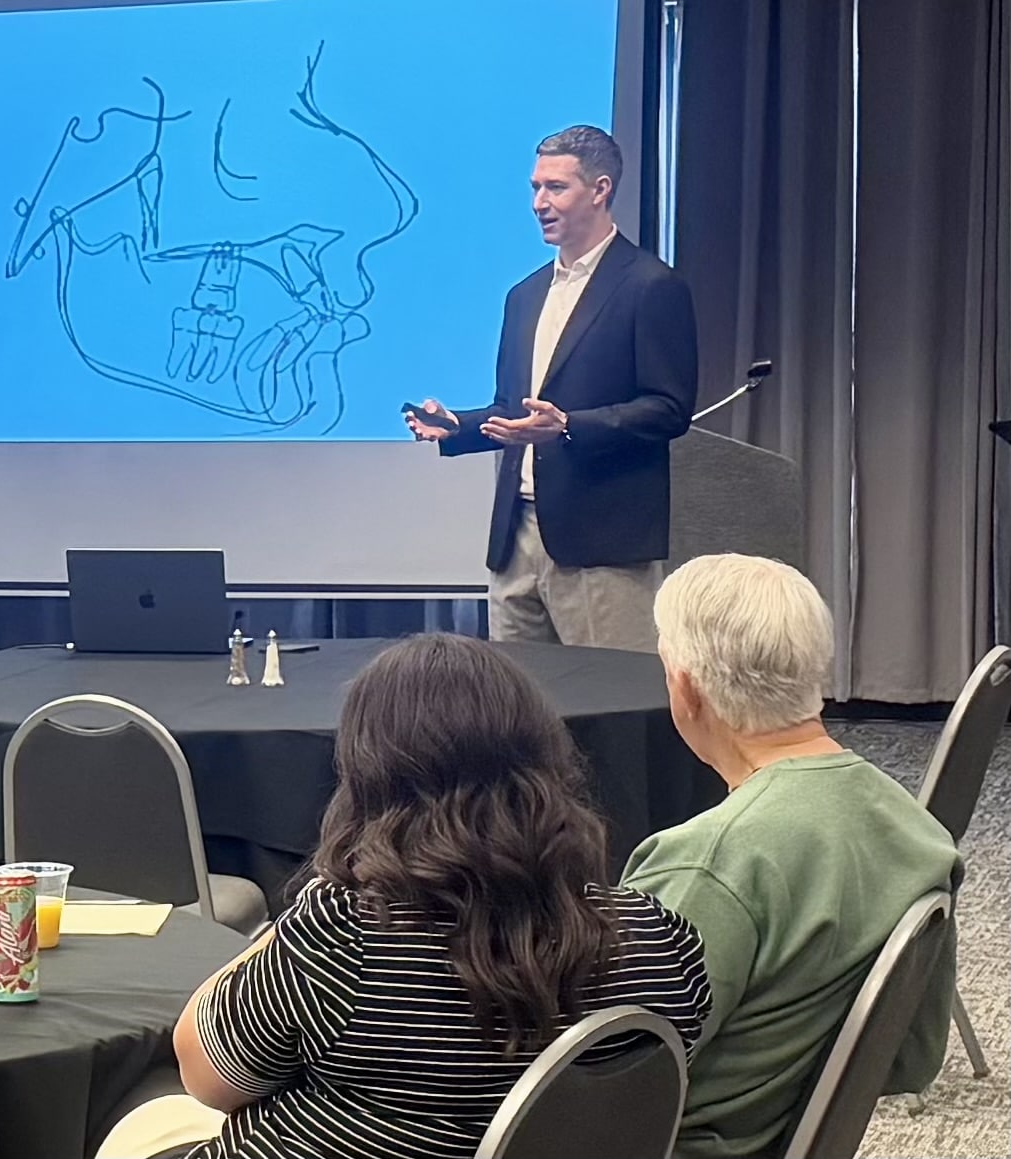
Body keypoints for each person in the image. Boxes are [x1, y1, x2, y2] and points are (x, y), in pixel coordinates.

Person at [104, 634, 712, 1159]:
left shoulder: (346, 933)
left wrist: (282, 927)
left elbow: (205, 1076)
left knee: (144, 1112)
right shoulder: (660, 941)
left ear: (368, 776)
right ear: (546, 764)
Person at [620, 554, 962, 1159]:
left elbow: (604, 1079)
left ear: (685, 688)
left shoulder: (707, 866)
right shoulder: (916, 830)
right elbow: (913, 1058)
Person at [405, 125, 697, 652]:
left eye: (555, 188)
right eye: (535, 188)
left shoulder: (651, 285)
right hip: (515, 540)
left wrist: (568, 427)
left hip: (601, 543)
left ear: (601, 189)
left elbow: (669, 408)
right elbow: (512, 409)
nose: (540, 202)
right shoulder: (524, 294)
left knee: (609, 708)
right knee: (517, 710)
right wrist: (457, 426)